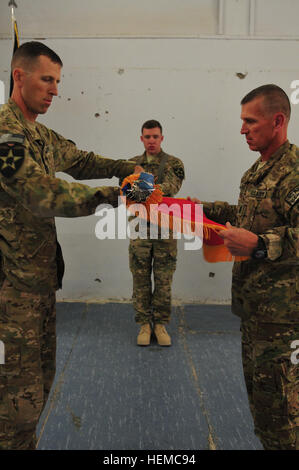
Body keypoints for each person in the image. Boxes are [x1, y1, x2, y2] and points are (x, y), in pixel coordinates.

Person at [0, 41, 141, 450]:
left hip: (38, 284)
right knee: (14, 405)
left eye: (58, 81)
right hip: (10, 290)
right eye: (47, 79)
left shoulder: (39, 135)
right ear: (19, 75)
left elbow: (80, 160)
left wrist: (126, 169)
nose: (55, 90)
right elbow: (40, 194)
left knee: (38, 387)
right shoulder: (6, 139)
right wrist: (113, 197)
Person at [192, 84, 298, 450]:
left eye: (250, 122)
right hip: (255, 310)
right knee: (263, 406)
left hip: (284, 320)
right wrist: (203, 209)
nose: (242, 130)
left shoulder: (294, 173)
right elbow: (248, 216)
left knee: (283, 411)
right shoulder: (257, 171)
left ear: (278, 120)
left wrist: (259, 245)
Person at [124, 120, 185, 347]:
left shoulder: (175, 164)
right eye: (147, 137)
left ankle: (160, 324)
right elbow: (128, 193)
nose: (151, 141)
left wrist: (142, 182)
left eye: (155, 137)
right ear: (141, 138)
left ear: (162, 138)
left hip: (165, 229)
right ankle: (144, 325)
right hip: (140, 228)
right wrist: (140, 185)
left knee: (163, 279)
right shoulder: (130, 164)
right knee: (140, 278)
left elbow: (170, 188)